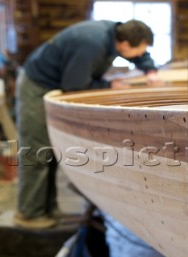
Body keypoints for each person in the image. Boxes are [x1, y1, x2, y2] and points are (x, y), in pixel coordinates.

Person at [14, 19, 158, 229]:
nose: (139, 56)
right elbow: (73, 86)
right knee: (36, 152)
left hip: (54, 84)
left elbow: (140, 53)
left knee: (50, 152)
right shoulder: (91, 44)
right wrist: (109, 85)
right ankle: (28, 214)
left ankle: (46, 209)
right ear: (125, 44)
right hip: (37, 86)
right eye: (138, 51)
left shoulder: (118, 34)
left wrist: (150, 71)